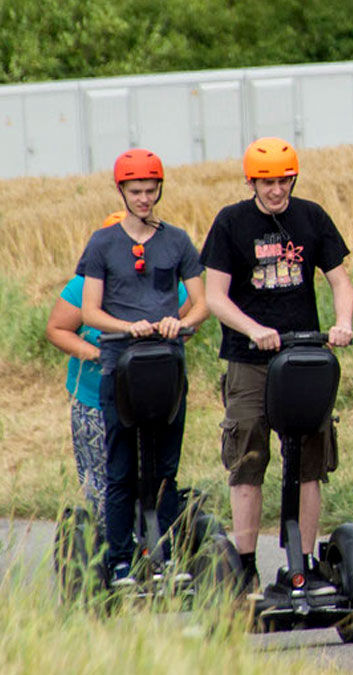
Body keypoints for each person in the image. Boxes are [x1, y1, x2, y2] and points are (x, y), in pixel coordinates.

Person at [200, 137, 353, 596]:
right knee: (248, 454)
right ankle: (244, 566)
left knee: (310, 458)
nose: (276, 190)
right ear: (251, 181)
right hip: (250, 359)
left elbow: (340, 281)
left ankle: (301, 564)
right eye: (267, 182)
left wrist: (342, 322)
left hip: (304, 354)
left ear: (294, 177)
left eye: (284, 180)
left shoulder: (311, 217)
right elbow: (214, 297)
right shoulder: (231, 222)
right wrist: (252, 329)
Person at [76, 150, 209, 585]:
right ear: (121, 191)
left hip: (166, 368)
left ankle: (166, 554)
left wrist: (180, 321)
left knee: (165, 467)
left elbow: (202, 302)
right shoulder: (102, 244)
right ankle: (119, 560)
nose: (145, 199)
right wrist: (127, 326)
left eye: (151, 191)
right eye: (136, 191)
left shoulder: (177, 241)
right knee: (121, 469)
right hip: (121, 368)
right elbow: (90, 311)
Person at [46, 211, 190, 535]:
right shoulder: (82, 286)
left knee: (154, 476)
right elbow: (57, 329)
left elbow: (186, 313)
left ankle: (154, 544)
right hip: (97, 395)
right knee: (110, 481)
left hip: (151, 396)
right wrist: (101, 354)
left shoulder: (165, 282)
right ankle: (113, 552)